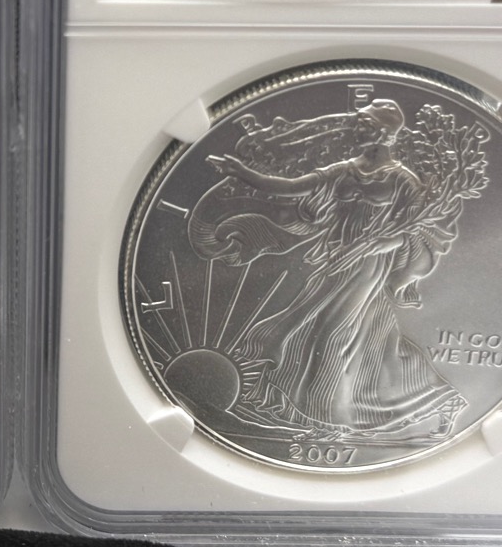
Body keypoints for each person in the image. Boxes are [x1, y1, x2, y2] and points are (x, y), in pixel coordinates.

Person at [189, 99, 466, 439]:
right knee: (323, 333)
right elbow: (292, 187)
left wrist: (377, 244)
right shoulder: (344, 170)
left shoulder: (403, 180)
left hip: (366, 266)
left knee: (331, 334)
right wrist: (244, 174)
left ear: (383, 133)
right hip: (333, 261)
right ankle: (438, 401)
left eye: (364, 125)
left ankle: (327, 422)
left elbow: (413, 230)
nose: (356, 129)